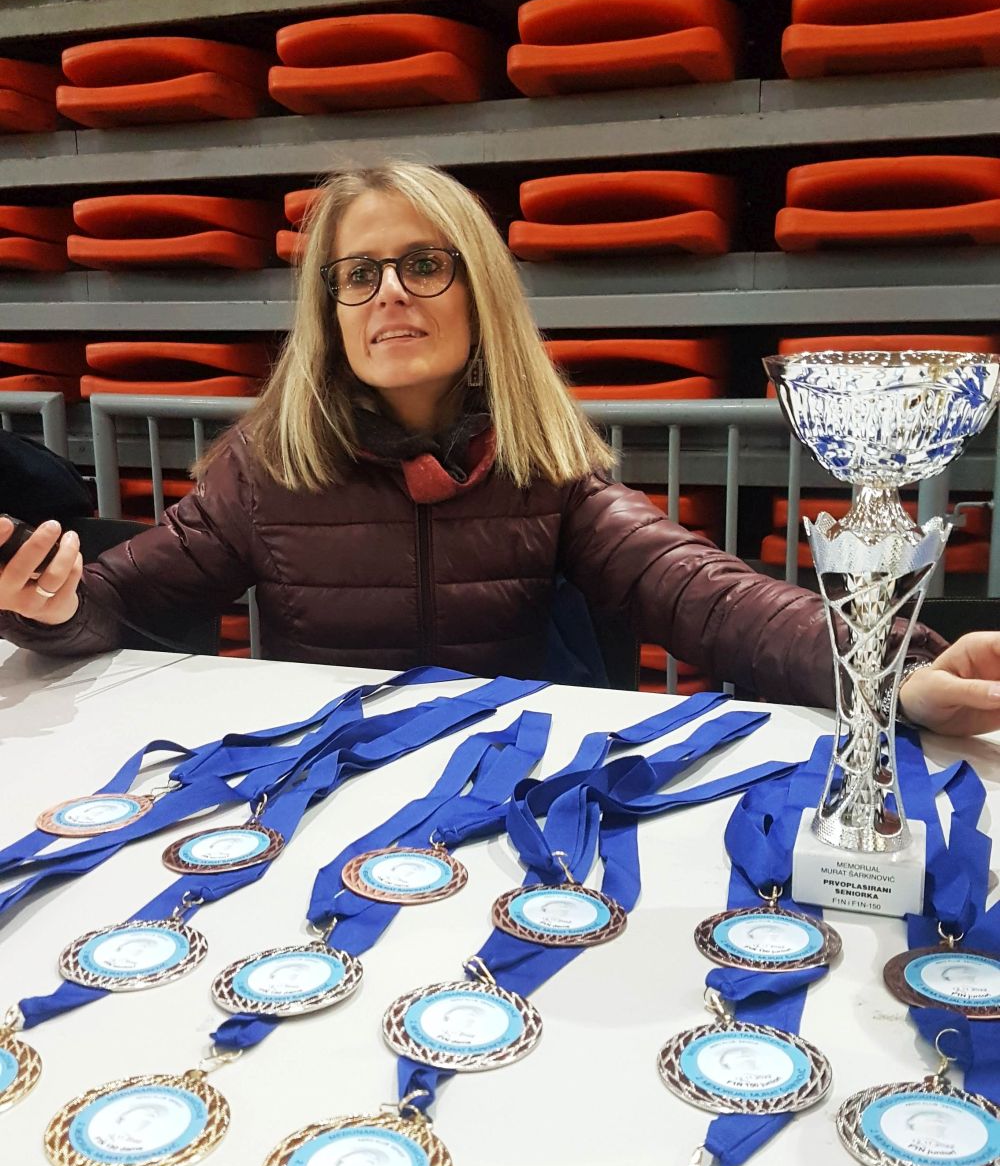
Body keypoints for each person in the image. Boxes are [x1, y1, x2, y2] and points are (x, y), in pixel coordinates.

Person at [1, 161, 998, 735]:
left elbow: (705, 592)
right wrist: (47, 605)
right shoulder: (263, 470)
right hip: (325, 794)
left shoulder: (547, 466)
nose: (390, 292)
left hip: (498, 792)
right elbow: (116, 600)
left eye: (423, 263)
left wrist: (891, 668)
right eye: (358, 273)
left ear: (478, 291)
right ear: (331, 310)